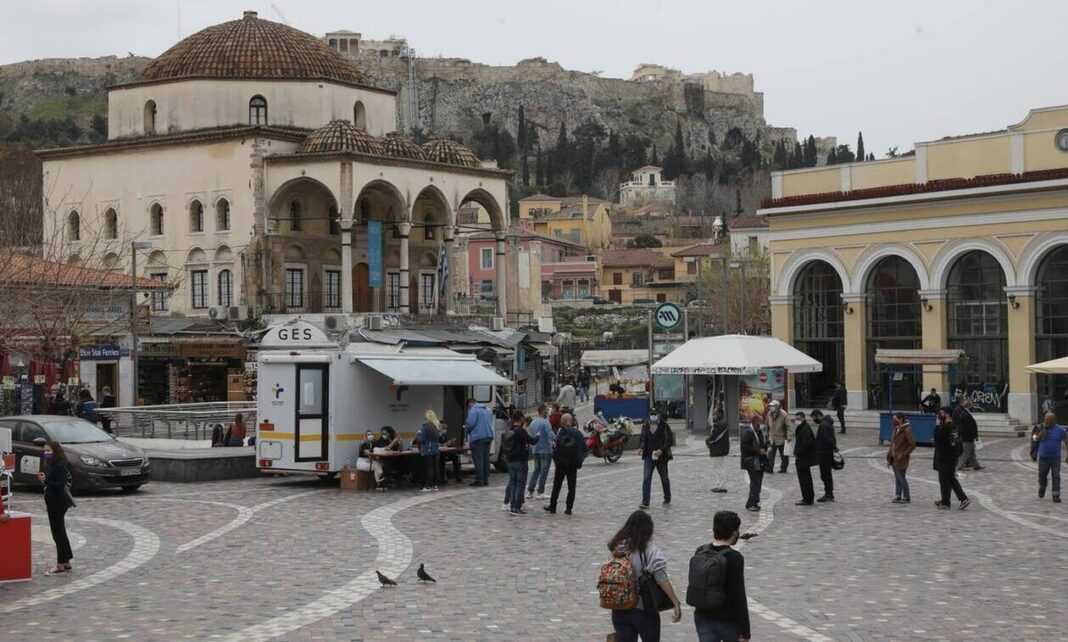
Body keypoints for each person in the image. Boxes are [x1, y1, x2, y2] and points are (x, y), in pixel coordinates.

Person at [607, 510, 683, 640]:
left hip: (619, 607)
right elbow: (661, 579)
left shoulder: (617, 547)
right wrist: (675, 602)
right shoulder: (650, 550)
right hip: (643, 609)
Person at [690, 511, 752, 642]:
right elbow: (738, 595)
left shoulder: (701, 551)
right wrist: (745, 631)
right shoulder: (734, 558)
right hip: (728, 621)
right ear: (734, 533)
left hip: (703, 617)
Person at [37, 440, 75, 575]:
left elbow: (59, 484)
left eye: (48, 451)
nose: (46, 453)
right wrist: (45, 480)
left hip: (57, 502)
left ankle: (60, 564)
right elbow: (52, 482)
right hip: (54, 501)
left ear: (55, 451)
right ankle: (66, 561)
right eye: (45, 451)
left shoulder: (60, 464)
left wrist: (45, 480)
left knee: (57, 533)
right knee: (60, 531)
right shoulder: (52, 463)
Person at [545, 413, 586, 515]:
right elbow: (584, 448)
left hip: (561, 464)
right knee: (571, 487)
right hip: (573, 464)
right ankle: (568, 508)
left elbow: (555, 447)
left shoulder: (561, 432)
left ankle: (553, 506)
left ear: (562, 421)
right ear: (571, 421)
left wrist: (556, 459)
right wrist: (579, 460)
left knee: (557, 485)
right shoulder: (577, 433)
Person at [934, 408, 970, 510]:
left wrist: (937, 426)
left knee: (945, 480)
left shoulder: (947, 426)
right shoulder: (952, 426)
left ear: (947, 414)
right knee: (949, 479)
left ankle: (948, 503)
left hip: (946, 457)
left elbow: (937, 438)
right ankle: (948, 499)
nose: (939, 415)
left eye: (941, 413)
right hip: (951, 456)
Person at [505, 412, 539, 516]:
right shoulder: (521, 431)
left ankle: (512, 506)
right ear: (520, 418)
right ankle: (516, 507)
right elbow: (532, 441)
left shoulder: (510, 430)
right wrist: (538, 436)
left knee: (513, 483)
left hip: (510, 460)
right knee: (520, 484)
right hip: (520, 460)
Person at [639, 410, 673, 509]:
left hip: (661, 457)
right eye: (651, 414)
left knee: (664, 478)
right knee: (646, 478)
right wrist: (641, 447)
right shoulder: (645, 425)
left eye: (655, 414)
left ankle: (667, 497)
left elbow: (669, 440)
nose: (653, 416)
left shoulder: (664, 425)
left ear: (658, 415)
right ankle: (645, 502)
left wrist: (661, 450)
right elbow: (643, 438)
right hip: (649, 455)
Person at [1034, 411, 1068, 502]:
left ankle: (1056, 495)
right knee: (1042, 475)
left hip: (1055, 458)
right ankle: (1042, 486)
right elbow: (1034, 438)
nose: (1046, 421)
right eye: (1045, 419)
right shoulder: (1040, 427)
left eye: (1048, 420)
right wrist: (1040, 434)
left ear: (1054, 420)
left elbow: (1066, 442)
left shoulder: (1060, 430)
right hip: (1043, 458)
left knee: (1056, 476)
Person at [463, 399, 494, 487]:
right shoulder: (487, 410)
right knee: (485, 459)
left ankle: (479, 480)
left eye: (468, 407)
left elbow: (470, 424)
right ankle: (485, 480)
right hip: (488, 436)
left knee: (478, 460)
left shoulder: (473, 410)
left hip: (478, 438)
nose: (469, 409)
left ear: (470, 404)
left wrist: (465, 429)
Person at [887, 412, 917, 503]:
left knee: (901, 477)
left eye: (895, 419)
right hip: (894, 457)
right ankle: (898, 495)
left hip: (901, 458)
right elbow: (893, 444)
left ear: (900, 419)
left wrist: (904, 454)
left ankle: (907, 497)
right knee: (897, 477)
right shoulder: (896, 429)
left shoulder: (907, 430)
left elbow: (912, 444)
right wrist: (889, 456)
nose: (893, 421)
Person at [739, 415, 767, 512]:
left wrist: (765, 447)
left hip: (759, 461)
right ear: (754, 422)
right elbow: (744, 447)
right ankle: (752, 503)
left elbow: (762, 444)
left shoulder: (759, 431)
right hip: (750, 460)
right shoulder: (747, 432)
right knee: (755, 482)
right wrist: (758, 451)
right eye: (759, 423)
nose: (760, 425)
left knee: (758, 481)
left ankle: (753, 502)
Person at [526, 404, 554, 500]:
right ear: (543, 411)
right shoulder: (545, 422)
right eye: (546, 410)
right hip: (545, 450)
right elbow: (550, 434)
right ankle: (540, 492)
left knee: (536, 470)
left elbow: (530, 435)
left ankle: (530, 491)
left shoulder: (533, 422)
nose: (548, 412)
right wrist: (557, 438)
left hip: (535, 449)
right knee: (544, 471)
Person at [812, 410, 837, 502]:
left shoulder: (823, 425)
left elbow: (827, 439)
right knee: (826, 474)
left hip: (824, 453)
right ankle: (829, 493)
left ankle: (829, 494)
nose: (814, 420)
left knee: (825, 474)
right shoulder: (827, 423)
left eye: (814, 418)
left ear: (818, 415)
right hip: (826, 452)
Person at [793, 411, 817, 506]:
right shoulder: (802, 427)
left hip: (803, 458)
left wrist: (798, 453)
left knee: (805, 479)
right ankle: (807, 498)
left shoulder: (805, 429)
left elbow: (806, 444)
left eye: (798, 419)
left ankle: (807, 499)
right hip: (803, 457)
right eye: (796, 419)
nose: (796, 420)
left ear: (803, 418)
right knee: (805, 478)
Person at [415, 410, 442, 492]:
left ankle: (428, 486)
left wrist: (418, 434)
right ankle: (435, 485)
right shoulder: (437, 426)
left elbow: (421, 440)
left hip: (427, 449)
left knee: (429, 468)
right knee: (436, 467)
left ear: (427, 417)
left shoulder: (426, 427)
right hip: (436, 449)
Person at [705, 409, 730, 494]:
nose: (714, 416)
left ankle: (721, 486)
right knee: (720, 467)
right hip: (722, 449)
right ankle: (719, 485)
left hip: (717, 449)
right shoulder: (723, 423)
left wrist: (707, 441)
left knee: (717, 468)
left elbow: (714, 437)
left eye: (715, 414)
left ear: (720, 414)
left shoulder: (719, 424)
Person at [371, 426, 402, 492]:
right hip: (382, 458)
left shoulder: (391, 439)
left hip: (391, 458)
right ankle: (382, 483)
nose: (384, 435)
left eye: (385, 433)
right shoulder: (381, 440)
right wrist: (394, 441)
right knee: (386, 464)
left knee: (404, 461)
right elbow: (386, 449)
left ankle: (394, 479)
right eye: (382, 433)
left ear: (390, 433)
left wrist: (400, 442)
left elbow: (399, 450)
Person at [955, 399, 982, 471]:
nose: (973, 406)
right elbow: (969, 427)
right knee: (966, 453)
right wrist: (975, 435)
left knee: (972, 453)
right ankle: (958, 466)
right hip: (967, 437)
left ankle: (976, 465)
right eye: (971, 405)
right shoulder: (965, 414)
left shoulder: (966, 413)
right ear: (968, 406)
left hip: (968, 436)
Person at [766, 400, 790, 473]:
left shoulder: (784, 414)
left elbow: (788, 426)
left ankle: (783, 468)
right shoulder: (769, 414)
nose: (771, 407)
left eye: (772, 406)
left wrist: (788, 437)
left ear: (777, 407)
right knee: (770, 454)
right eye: (770, 406)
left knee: (784, 455)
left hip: (782, 438)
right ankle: (769, 468)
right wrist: (766, 435)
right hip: (772, 438)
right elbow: (767, 425)